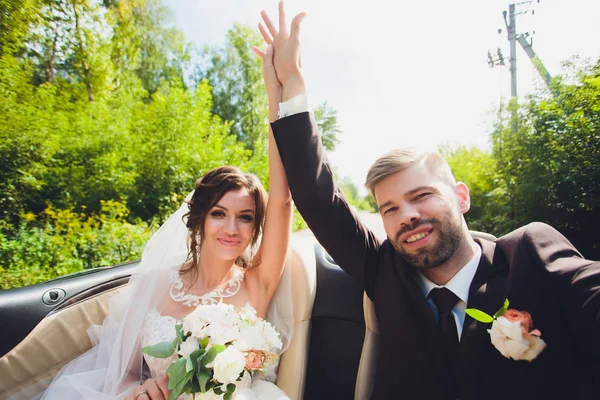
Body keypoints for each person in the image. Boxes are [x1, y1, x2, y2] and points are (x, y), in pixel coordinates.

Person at [258, 2, 600, 399]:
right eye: (390, 209)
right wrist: (292, 82)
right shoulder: (383, 270)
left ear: (461, 197)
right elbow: (317, 197)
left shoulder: (529, 254)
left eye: (421, 196)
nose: (408, 216)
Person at [38, 38, 294, 400]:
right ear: (200, 220)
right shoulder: (155, 284)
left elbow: (282, 198)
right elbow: (123, 374)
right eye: (219, 214)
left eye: (246, 217)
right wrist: (143, 392)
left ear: (256, 227)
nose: (232, 229)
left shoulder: (257, 284)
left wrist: (278, 92)